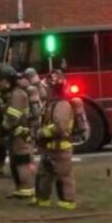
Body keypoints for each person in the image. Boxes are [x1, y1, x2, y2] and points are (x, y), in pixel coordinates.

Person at [35, 70, 76, 210]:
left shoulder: (62, 105)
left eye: (47, 88)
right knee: (44, 174)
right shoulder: (51, 104)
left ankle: (67, 202)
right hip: (49, 147)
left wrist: (42, 132)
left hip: (61, 148)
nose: (45, 90)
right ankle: (42, 200)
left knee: (63, 176)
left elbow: (60, 126)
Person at [0, 64, 35, 198]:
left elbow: (12, 117)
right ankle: (21, 189)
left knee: (22, 161)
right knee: (15, 161)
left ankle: (26, 189)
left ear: (8, 80)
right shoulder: (11, 94)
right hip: (15, 135)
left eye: (0, 80)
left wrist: (2, 129)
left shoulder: (17, 94)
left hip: (20, 135)